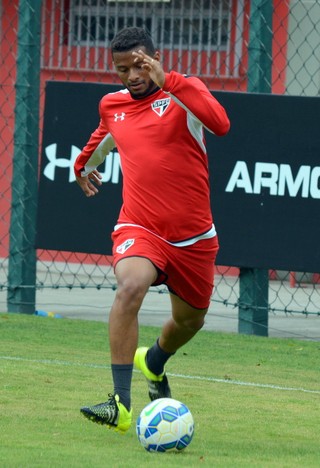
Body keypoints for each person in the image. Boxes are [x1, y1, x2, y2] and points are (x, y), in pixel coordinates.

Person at [74, 27, 230, 434]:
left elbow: (221, 124)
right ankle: (121, 404)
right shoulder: (113, 105)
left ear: (155, 58)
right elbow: (102, 139)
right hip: (139, 226)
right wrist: (81, 167)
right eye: (122, 69)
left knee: (189, 322)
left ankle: (155, 360)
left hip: (194, 238)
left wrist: (169, 80)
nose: (131, 75)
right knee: (131, 286)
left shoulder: (183, 92)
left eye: (139, 64)